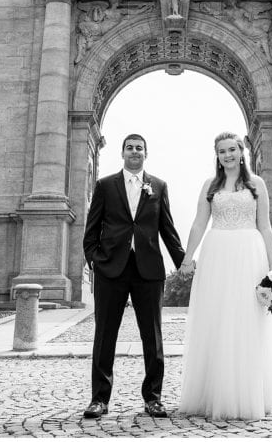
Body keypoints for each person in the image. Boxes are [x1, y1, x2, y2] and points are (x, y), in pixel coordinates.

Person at [177, 132, 272, 420]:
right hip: (217, 252)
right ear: (216, 156)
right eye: (222, 151)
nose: (227, 155)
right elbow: (199, 223)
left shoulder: (257, 184)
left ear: (242, 152)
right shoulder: (210, 185)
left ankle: (248, 391)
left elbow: (265, 226)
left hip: (249, 253)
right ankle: (216, 390)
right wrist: (187, 257)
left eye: (232, 149)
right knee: (217, 319)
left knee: (246, 320)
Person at [82, 134, 186, 419]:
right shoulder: (104, 185)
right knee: (105, 335)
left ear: (146, 153)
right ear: (122, 153)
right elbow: (91, 230)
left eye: (139, 148)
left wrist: (185, 264)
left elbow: (168, 229)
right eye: (130, 148)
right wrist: (94, 261)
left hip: (148, 270)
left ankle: (153, 398)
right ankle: (99, 400)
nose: (135, 152)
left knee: (152, 336)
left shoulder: (159, 186)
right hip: (110, 270)